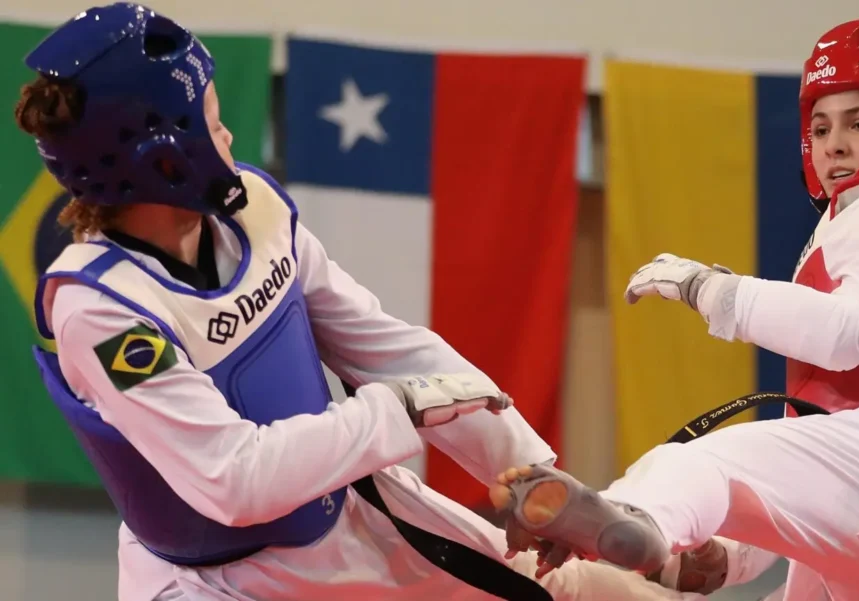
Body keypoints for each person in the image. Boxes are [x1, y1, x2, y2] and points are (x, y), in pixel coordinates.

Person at [19, 4, 704, 601]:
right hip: (213, 579)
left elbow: (385, 344)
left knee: (564, 588)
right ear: (165, 156)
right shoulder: (100, 308)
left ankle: (668, 559)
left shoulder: (253, 208)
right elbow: (232, 478)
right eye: (214, 119)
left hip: (350, 518)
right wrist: (397, 409)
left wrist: (526, 473)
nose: (226, 136)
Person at [488, 14, 859, 600]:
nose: (834, 143)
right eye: (819, 128)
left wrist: (710, 288)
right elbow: (810, 468)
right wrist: (720, 559)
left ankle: (639, 514)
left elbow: (853, 333)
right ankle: (649, 528)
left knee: (698, 463)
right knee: (722, 494)